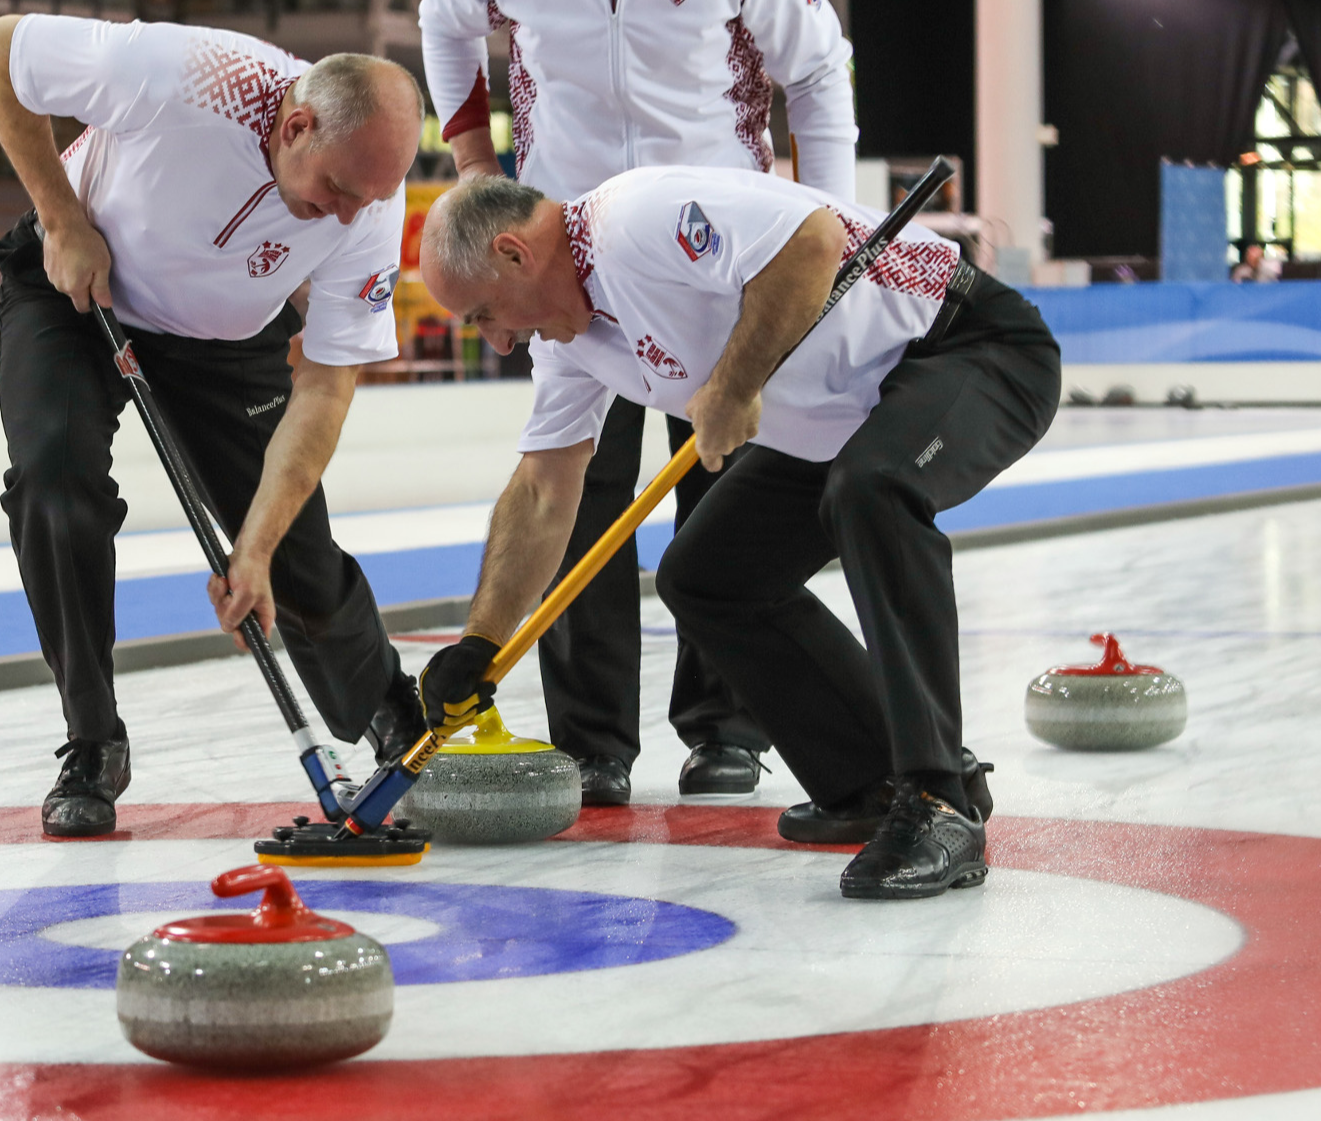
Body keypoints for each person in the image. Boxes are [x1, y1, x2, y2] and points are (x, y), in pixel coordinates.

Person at [413, 168, 1059, 898]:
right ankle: (871, 780)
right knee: (707, 575)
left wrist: (731, 386)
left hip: (967, 347)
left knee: (875, 491)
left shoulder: (636, 218)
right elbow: (541, 489)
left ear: (513, 254)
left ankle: (939, 798)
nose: (497, 341)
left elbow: (812, 244)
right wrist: (481, 642)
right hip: (843, 416)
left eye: (483, 315)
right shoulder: (567, 343)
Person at [416, 0, 857, 804]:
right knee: (577, 480)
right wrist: (478, 165)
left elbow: (819, 74)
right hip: (567, 251)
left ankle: (726, 725)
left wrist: (835, 232)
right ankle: (594, 738)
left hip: (713, 252)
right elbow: (444, 25)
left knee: (720, 478)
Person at [0, 12, 429, 838]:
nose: (342, 218)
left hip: (225, 337)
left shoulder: (365, 209)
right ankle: (93, 739)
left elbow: (325, 389)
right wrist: (62, 216)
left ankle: (382, 702)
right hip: (77, 286)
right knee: (53, 480)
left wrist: (249, 550)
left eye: (366, 202)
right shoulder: (184, 73)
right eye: (334, 192)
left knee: (295, 552)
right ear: (296, 125)